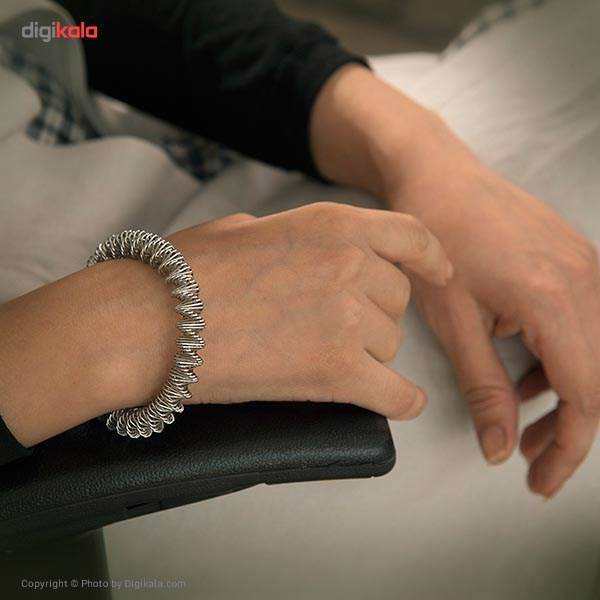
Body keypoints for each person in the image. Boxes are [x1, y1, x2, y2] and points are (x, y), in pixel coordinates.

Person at [0, 0, 599, 503]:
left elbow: (104, 17)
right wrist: (147, 320)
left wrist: (419, 154)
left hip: (179, 138)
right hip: (88, 425)